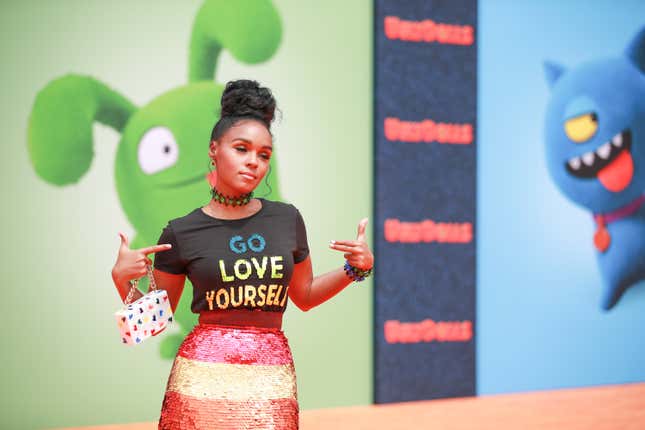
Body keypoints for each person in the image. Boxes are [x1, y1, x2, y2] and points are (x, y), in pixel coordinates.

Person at [111, 79, 374, 429]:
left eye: (263, 155)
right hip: (200, 383)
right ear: (213, 149)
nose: (254, 162)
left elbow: (305, 296)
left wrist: (355, 269)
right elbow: (154, 323)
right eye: (241, 149)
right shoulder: (181, 231)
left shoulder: (287, 219)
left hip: (270, 382)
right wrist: (120, 278)